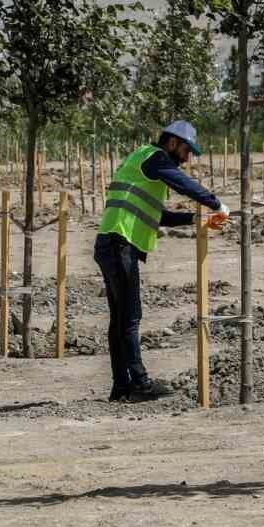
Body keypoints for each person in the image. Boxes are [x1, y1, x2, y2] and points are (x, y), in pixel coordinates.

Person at [95, 120, 229, 401]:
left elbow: (158, 215)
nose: (187, 157)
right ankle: (140, 384)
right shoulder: (155, 158)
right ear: (172, 143)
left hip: (111, 244)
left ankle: (121, 387)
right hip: (120, 244)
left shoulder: (143, 161)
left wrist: (196, 218)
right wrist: (215, 203)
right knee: (129, 318)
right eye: (186, 149)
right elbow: (183, 184)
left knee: (120, 320)